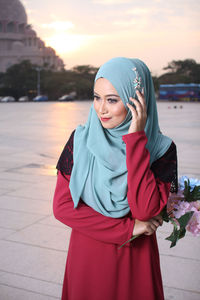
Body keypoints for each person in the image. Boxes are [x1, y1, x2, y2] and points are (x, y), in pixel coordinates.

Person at [53, 57, 177, 300]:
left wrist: (136, 141)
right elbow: (62, 208)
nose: (101, 109)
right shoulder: (80, 141)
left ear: (138, 101)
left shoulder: (161, 149)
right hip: (87, 258)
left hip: (135, 262)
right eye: (97, 97)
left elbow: (145, 209)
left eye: (112, 100)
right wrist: (129, 228)